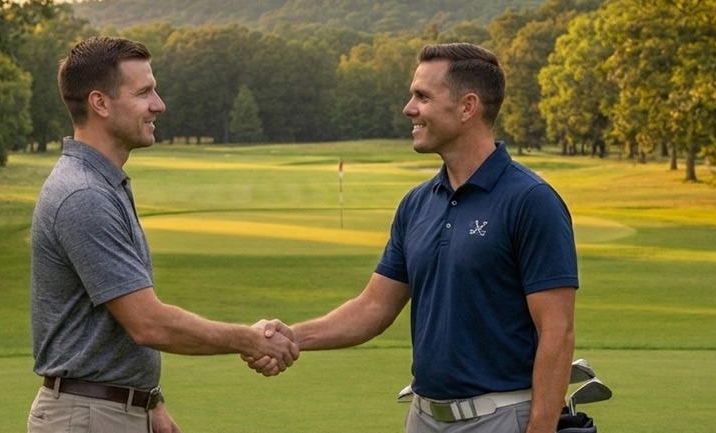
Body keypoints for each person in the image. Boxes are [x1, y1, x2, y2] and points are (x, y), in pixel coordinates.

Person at [257, 42, 580, 433]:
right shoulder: (417, 204)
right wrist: (294, 337)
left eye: (422, 97)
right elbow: (373, 307)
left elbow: (557, 332)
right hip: (423, 418)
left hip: (501, 418)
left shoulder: (531, 201)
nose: (409, 108)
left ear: (466, 107)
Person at [29, 36, 298, 433]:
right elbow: (148, 323)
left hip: (107, 410)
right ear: (100, 103)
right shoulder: (83, 193)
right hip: (88, 418)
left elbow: (112, 329)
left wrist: (150, 400)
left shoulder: (101, 182)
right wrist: (250, 339)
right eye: (144, 93)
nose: (159, 104)